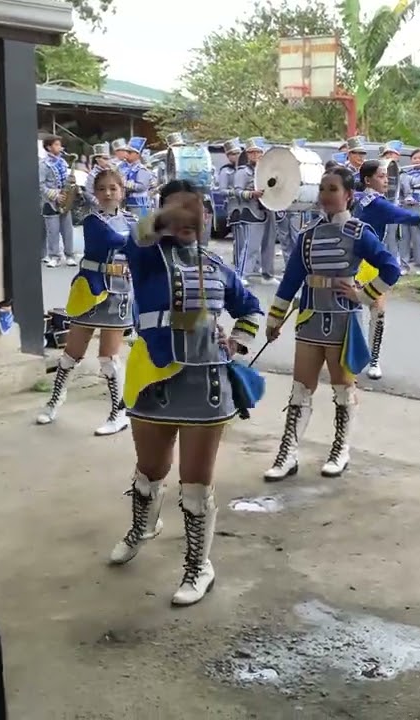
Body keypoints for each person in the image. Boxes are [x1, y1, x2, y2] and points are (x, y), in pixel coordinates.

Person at [108, 180, 265, 606]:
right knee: (150, 471)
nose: (190, 219)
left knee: (195, 486)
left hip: (206, 386)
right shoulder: (145, 257)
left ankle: (199, 566)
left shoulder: (217, 265)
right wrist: (168, 216)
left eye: (198, 211)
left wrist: (238, 340)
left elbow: (250, 307)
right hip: (153, 380)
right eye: (179, 212)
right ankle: (141, 527)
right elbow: (137, 235)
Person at [261, 166, 401, 481]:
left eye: (333, 189)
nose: (325, 195)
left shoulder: (359, 232)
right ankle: (288, 453)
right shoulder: (308, 235)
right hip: (310, 318)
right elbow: (291, 279)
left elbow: (391, 268)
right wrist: (275, 318)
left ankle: (341, 448)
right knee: (300, 390)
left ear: (349, 195)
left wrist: (363, 295)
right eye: (323, 189)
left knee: (342, 389)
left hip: (343, 320)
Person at [36, 169, 137, 434]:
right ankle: (55, 399)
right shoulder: (92, 221)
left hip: (120, 293)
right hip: (90, 291)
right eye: (102, 188)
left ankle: (119, 412)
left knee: (109, 357)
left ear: (122, 191)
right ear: (95, 192)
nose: (107, 193)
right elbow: (111, 241)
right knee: (71, 353)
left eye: (113, 188)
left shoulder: (132, 220)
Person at [352, 160, 420, 380]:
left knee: (365, 311)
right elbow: (405, 216)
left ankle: (365, 358)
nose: (386, 179)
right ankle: (371, 361)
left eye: (385, 176)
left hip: (359, 261)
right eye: (381, 176)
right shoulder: (375, 203)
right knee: (374, 311)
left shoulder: (359, 199)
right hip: (365, 263)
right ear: (368, 180)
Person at [231, 138, 277, 285]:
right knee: (251, 245)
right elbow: (237, 191)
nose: (255, 155)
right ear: (248, 155)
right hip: (252, 211)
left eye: (258, 152)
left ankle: (267, 275)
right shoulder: (243, 172)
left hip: (269, 209)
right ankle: (242, 274)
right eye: (252, 152)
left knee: (269, 244)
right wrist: (251, 194)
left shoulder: (269, 171)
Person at [40, 135, 77, 268]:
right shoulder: (43, 165)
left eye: (60, 144)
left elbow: (67, 180)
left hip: (65, 199)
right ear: (49, 147)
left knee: (67, 230)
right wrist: (56, 196)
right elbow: (40, 185)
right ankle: (54, 256)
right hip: (50, 203)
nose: (60, 147)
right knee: (52, 231)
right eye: (56, 144)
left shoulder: (62, 162)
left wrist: (71, 184)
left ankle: (70, 255)